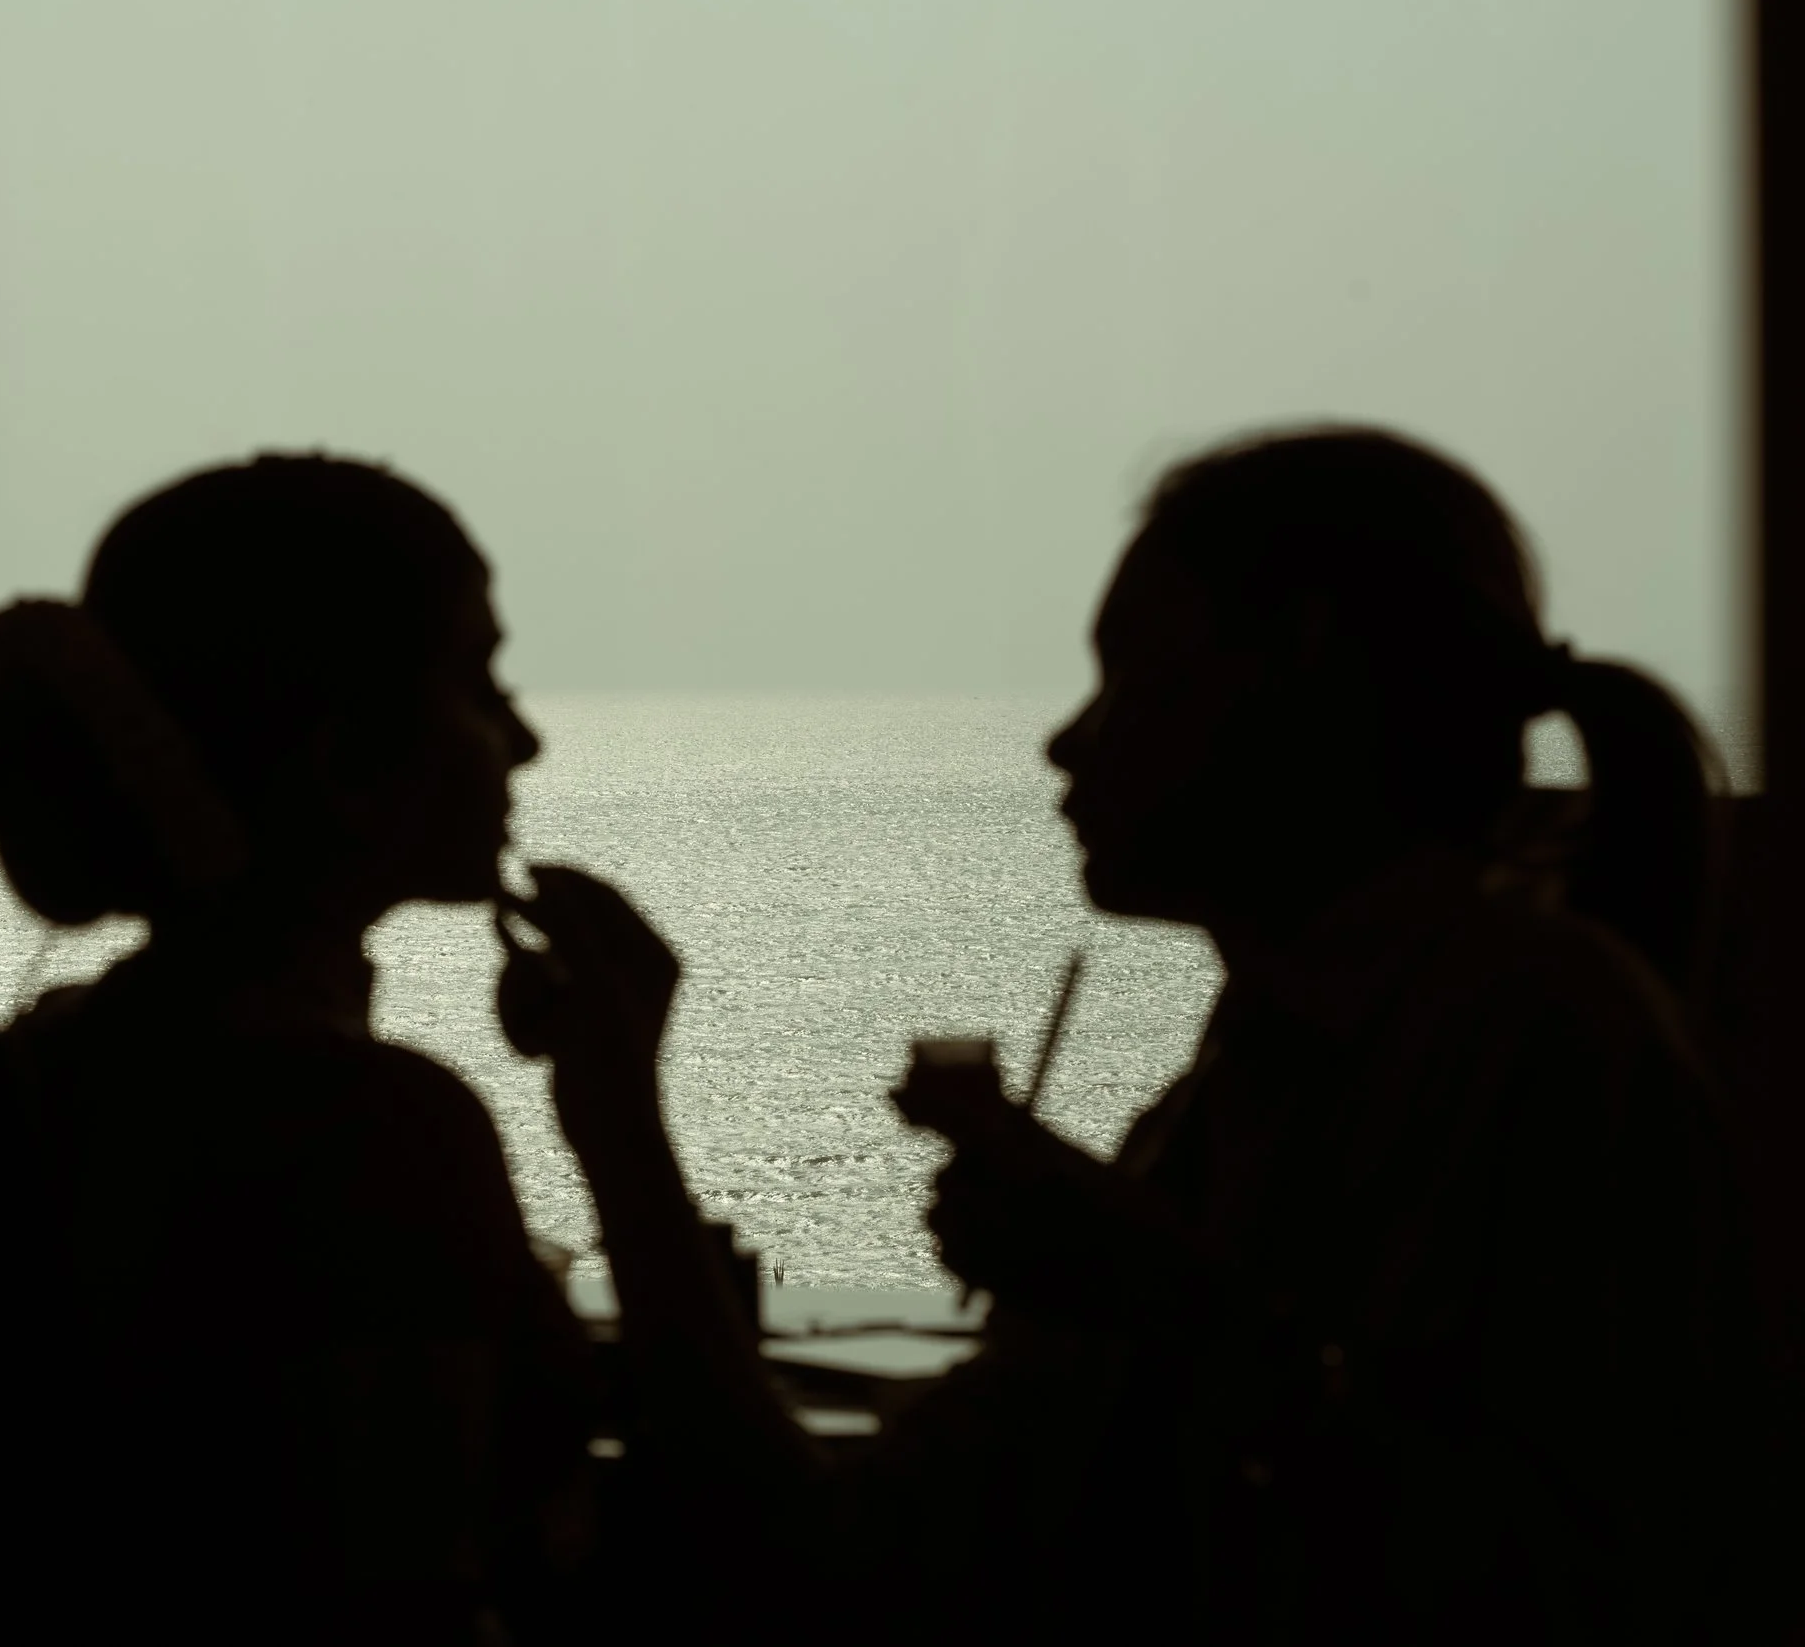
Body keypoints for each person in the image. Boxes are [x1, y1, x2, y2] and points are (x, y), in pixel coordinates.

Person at [504, 427, 1783, 1641]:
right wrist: (617, 1120)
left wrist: (1166, 1296)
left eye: (1127, 673)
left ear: (1297, 656)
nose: (1067, 740)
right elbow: (845, 1545)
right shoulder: (1270, 1079)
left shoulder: (1540, 1044)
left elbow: (1583, 1589)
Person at [0, 455, 595, 1644]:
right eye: (481, 682)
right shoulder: (370, 1132)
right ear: (347, 762)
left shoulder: (56, 1065)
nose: (522, 737)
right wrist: (621, 1122)